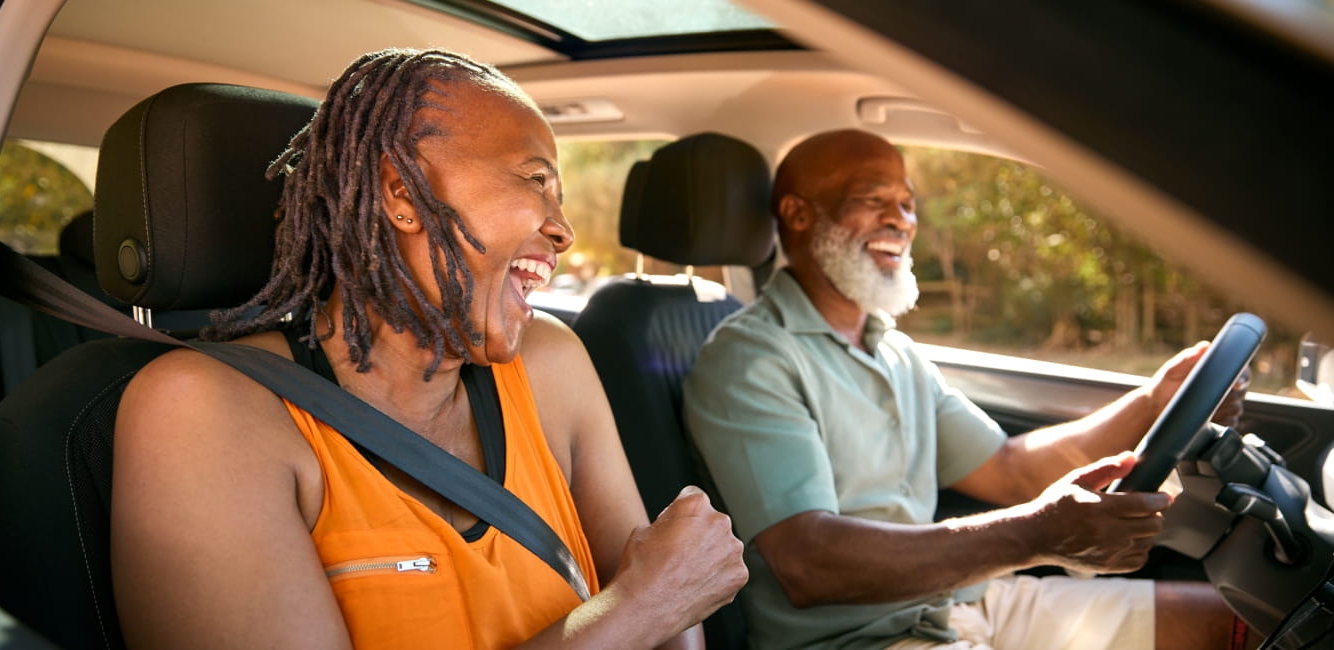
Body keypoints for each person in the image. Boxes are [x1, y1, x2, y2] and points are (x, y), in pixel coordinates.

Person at [110, 49, 746, 649]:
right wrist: (637, 606)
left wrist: (658, 600)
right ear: (403, 195)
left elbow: (672, 617)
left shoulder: (550, 363)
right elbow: (657, 602)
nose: (563, 230)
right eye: (534, 179)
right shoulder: (203, 412)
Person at [683, 129, 1252, 650]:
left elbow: (1009, 468)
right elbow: (810, 563)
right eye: (874, 200)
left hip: (962, 601)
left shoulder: (895, 350)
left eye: (907, 204)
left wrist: (1154, 402)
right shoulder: (752, 358)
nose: (901, 220)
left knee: (1239, 621)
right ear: (798, 214)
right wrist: (1036, 536)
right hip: (865, 639)